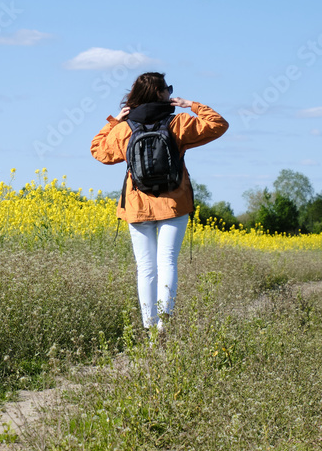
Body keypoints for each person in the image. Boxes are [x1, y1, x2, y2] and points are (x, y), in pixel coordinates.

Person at [90, 72, 228, 332]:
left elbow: (98, 151)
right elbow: (219, 124)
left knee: (146, 268)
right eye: (168, 89)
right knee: (167, 263)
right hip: (173, 203)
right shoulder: (179, 123)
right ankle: (163, 328)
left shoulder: (124, 128)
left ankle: (149, 327)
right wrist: (191, 105)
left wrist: (113, 121)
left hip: (137, 204)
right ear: (161, 94)